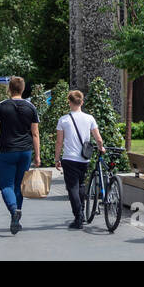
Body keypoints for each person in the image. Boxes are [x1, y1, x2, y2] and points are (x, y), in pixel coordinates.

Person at [0, 75, 40, 234]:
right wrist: (37, 156)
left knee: (6, 185)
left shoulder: (2, 106)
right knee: (19, 185)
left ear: (9, 89)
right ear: (23, 89)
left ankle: (13, 211)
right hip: (25, 151)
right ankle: (16, 217)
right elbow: (35, 133)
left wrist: (0, 141)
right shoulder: (30, 107)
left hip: (7, 150)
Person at [54, 89, 104, 230]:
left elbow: (59, 142)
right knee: (81, 185)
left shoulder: (63, 120)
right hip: (84, 159)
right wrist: (101, 148)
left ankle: (78, 217)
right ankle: (80, 213)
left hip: (69, 158)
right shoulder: (90, 119)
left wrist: (57, 158)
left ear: (69, 102)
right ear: (81, 102)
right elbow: (98, 138)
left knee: (72, 188)